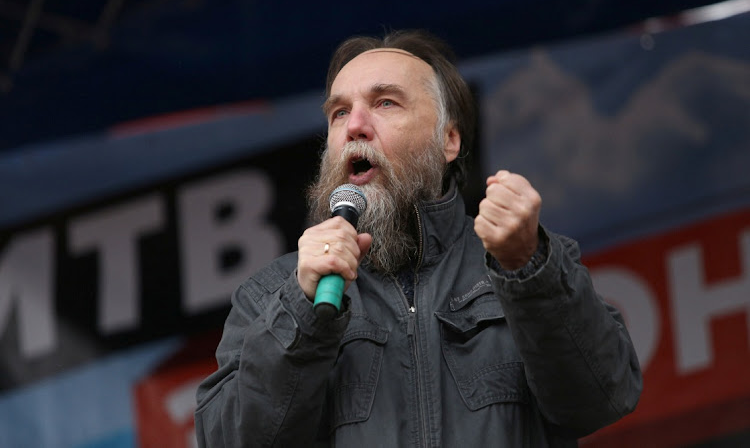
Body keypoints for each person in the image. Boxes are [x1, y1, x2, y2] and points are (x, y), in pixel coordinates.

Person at [194, 29, 642, 447]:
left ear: (449, 140)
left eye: (386, 103)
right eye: (339, 112)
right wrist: (301, 308)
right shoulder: (271, 294)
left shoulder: (524, 262)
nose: (355, 126)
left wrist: (528, 268)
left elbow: (603, 398)